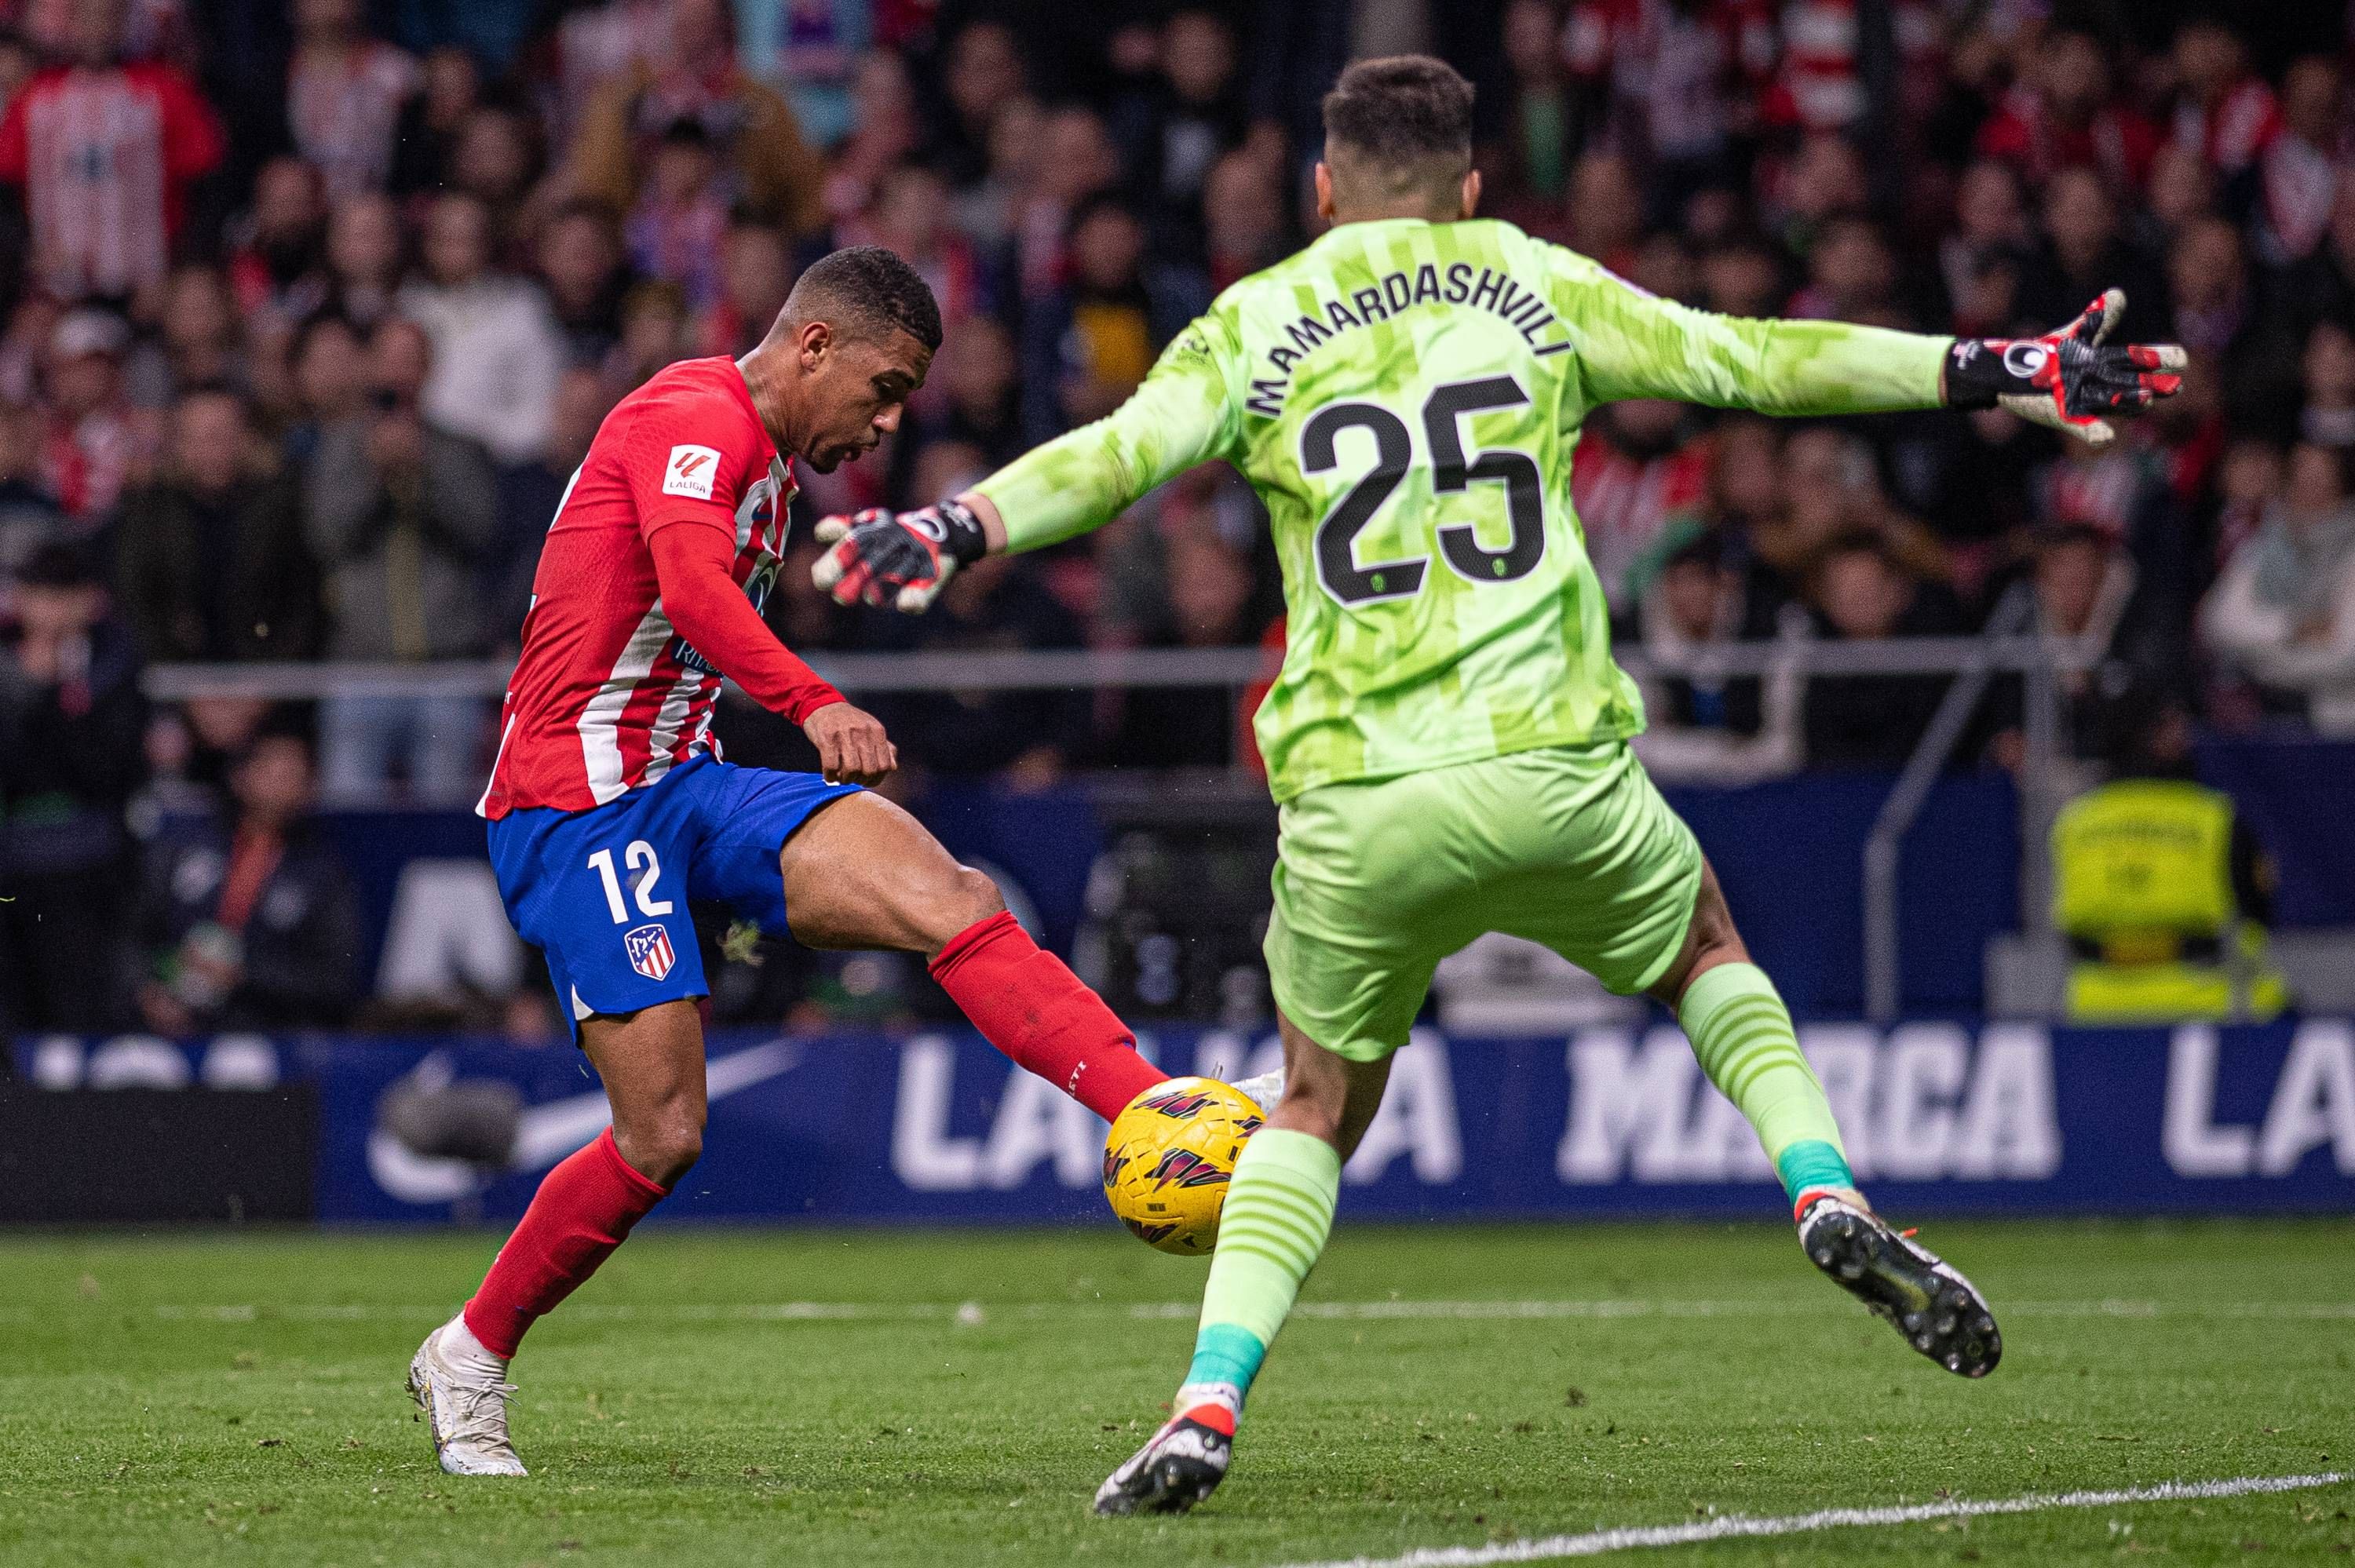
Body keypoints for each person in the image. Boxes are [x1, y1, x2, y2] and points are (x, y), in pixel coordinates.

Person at [813, 57, 2186, 1514]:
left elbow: (1116, 455)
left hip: (1356, 802)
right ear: (1470, 188)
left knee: (1314, 1102)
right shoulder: (1530, 282)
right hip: (1552, 765)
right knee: (1706, 945)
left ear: (1323, 189)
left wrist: (960, 524)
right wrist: (1990, 368)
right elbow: (1758, 358)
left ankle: (1208, 1401)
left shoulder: (1259, 317)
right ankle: (1823, 1184)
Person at [408, 246, 1273, 1479]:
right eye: (886, 385)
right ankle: (470, 1353)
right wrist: (815, 702)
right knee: (663, 1134)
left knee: (951, 894)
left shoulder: (769, 465)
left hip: (688, 781)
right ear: (816, 345)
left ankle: (1146, 1103)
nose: (889, 420)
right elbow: (695, 590)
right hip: (577, 804)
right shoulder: (688, 412)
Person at [133, 720, 361, 1034]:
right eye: (272, 768)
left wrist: (245, 974)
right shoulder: (183, 848)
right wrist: (146, 991)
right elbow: (133, 937)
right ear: (240, 776)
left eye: (295, 772)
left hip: (268, 1033)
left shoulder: (323, 874)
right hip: (168, 1025)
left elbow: (333, 979)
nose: (282, 781)